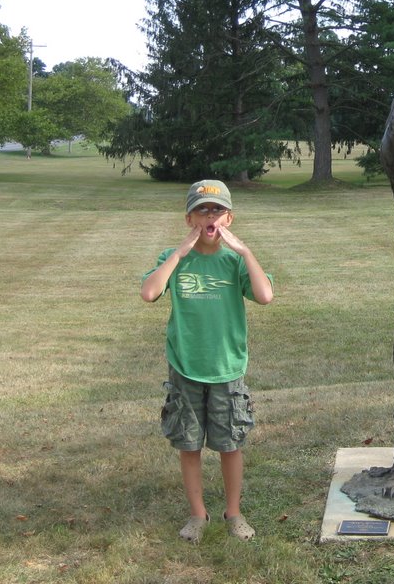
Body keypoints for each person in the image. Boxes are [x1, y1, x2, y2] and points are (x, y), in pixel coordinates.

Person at [141, 179, 274, 543]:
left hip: (226, 368)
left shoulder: (234, 261)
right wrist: (179, 254)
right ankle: (198, 514)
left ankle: (234, 512)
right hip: (185, 366)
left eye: (217, 210)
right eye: (202, 210)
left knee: (230, 443)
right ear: (189, 218)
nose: (209, 216)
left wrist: (246, 253)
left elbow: (264, 296)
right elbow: (149, 292)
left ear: (228, 218)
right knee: (189, 443)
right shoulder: (174, 258)